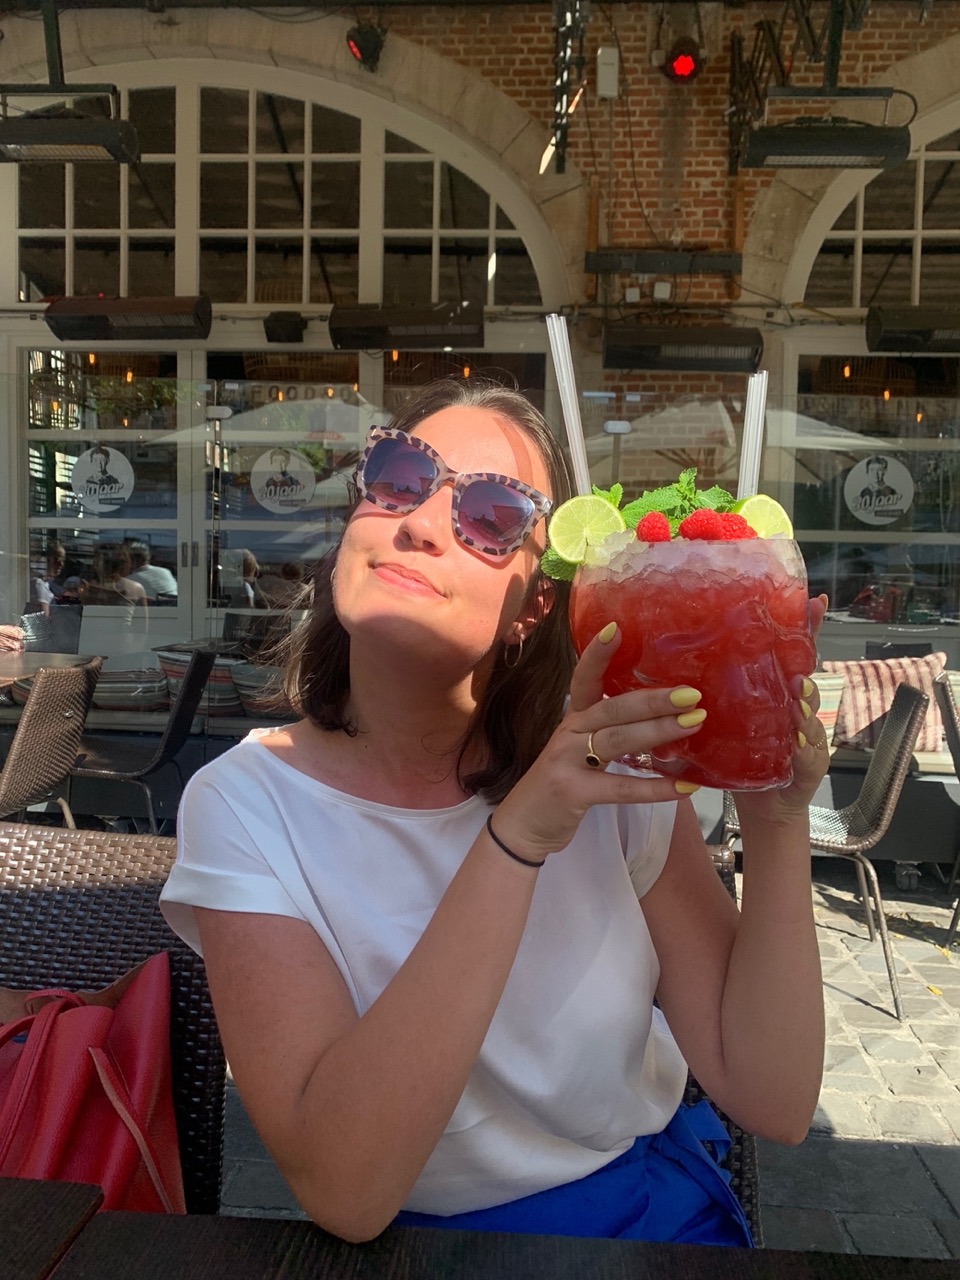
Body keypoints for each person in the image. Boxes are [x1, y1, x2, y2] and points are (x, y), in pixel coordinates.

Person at [161, 378, 828, 1246]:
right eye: (398, 476)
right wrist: (518, 840)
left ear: (535, 604)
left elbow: (773, 1098)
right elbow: (345, 1191)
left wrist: (776, 819)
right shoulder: (248, 803)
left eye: (490, 514)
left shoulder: (607, 779)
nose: (420, 523)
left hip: (644, 1227)